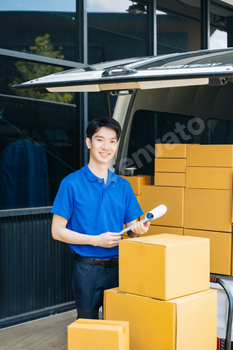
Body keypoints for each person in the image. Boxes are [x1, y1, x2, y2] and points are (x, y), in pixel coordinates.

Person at [51, 117, 150, 319]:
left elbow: (131, 229)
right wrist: (96, 240)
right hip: (88, 270)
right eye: (100, 140)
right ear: (89, 143)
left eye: (112, 141)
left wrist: (138, 229)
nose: (106, 147)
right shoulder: (70, 184)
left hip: (121, 268)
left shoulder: (123, 186)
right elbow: (57, 231)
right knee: (89, 329)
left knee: (117, 327)